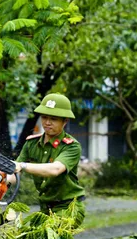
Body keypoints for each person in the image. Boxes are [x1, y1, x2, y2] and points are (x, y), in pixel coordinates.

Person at [11, 93, 86, 227]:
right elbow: (15, 174)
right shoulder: (31, 144)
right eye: (44, 117)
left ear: (65, 121)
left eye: (54, 119)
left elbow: (55, 169)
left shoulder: (71, 146)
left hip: (69, 207)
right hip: (45, 208)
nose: (47, 122)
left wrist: (22, 165)